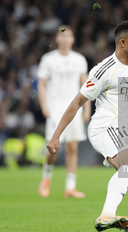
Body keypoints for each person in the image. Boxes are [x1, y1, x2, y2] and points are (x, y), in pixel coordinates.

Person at [46, 20, 128, 232]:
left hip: (125, 135)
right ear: (123, 43)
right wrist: (57, 135)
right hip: (105, 128)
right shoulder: (104, 70)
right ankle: (106, 215)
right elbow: (76, 103)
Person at [37, 26, 91, 198]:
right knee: (53, 148)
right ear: (57, 39)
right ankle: (46, 177)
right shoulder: (48, 59)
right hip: (55, 107)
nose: (66, 39)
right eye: (63, 36)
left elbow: (86, 85)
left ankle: (70, 187)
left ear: (73, 39)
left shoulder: (79, 59)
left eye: (69, 35)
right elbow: (42, 84)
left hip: (74, 107)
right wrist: (44, 105)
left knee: (73, 146)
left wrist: (87, 108)